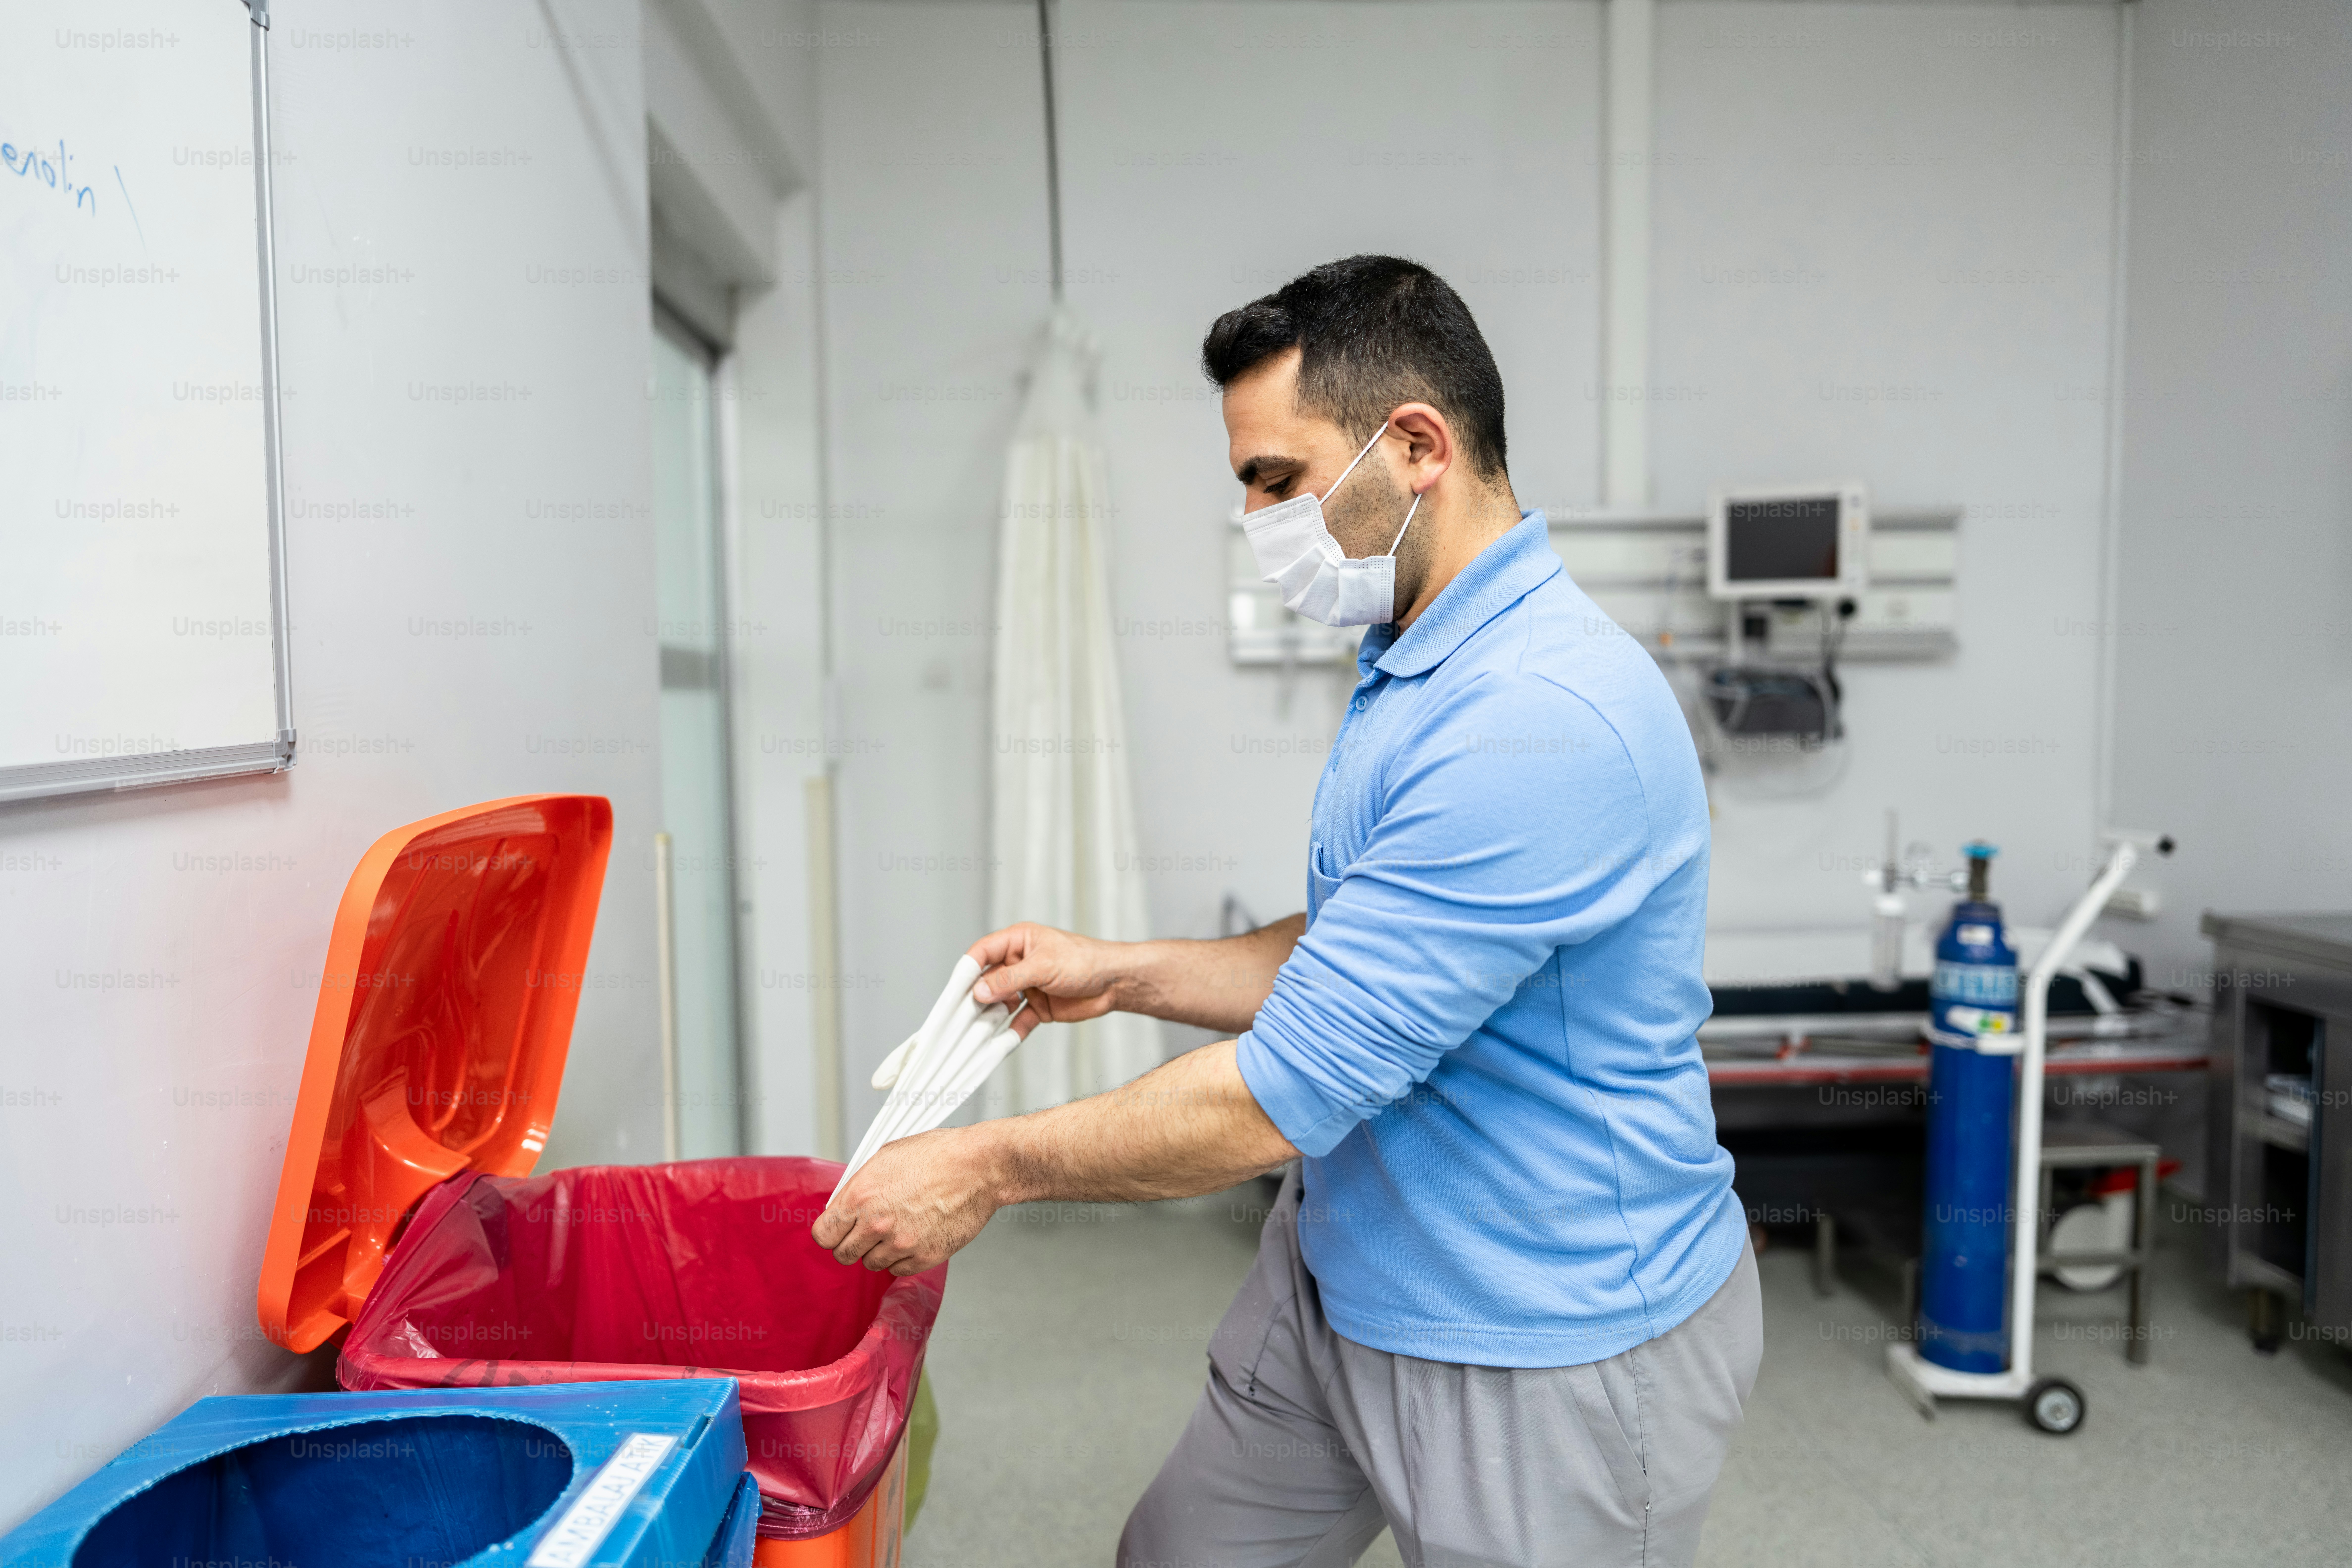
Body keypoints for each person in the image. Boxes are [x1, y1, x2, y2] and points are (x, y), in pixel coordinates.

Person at [815, 255, 1760, 1568]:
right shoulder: (1418, 663)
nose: (1259, 521)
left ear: (1416, 445)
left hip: (1538, 1331)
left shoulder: (1540, 720)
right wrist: (1124, 970)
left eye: (1277, 480)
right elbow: (1360, 955)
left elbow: (1276, 1093)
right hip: (1343, 1268)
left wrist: (984, 1168)